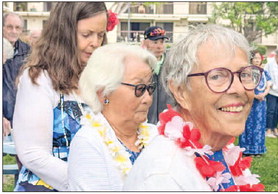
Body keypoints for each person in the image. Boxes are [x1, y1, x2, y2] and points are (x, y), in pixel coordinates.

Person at [123, 24, 265, 191]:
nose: (239, 89)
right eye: (217, 76)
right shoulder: (163, 177)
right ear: (181, 91)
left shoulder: (221, 150)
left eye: (245, 74)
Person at [12, 2, 111, 191]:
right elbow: (33, 154)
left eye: (100, 35)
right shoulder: (40, 79)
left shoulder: (101, 78)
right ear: (64, 33)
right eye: (86, 34)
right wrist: (88, 184)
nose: (95, 43)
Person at [68, 43, 158, 191]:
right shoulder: (89, 142)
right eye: (139, 88)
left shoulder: (156, 136)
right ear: (103, 93)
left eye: (150, 88)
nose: (148, 99)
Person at [239, 50, 272, 156]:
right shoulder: (246, 71)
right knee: (248, 124)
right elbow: (243, 86)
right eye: (255, 58)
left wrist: (264, 94)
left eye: (259, 58)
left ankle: (258, 149)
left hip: (261, 103)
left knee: (259, 125)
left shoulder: (264, 71)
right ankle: (246, 149)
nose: (257, 60)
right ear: (251, 59)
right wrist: (255, 96)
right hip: (250, 101)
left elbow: (268, 85)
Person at [3, 12, 31, 136]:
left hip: (22, 118)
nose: (13, 31)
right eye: (9, 27)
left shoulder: (29, 52)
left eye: (17, 27)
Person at [142, 26, 174, 124]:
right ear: (145, 43)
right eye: (155, 42)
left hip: (168, 121)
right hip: (145, 122)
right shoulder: (140, 63)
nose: (159, 46)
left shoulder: (172, 63)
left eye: (162, 42)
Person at [264, 49, 278, 138]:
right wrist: (271, 85)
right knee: (271, 111)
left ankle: (274, 128)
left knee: (277, 112)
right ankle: (268, 129)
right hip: (272, 91)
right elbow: (266, 75)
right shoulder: (270, 64)